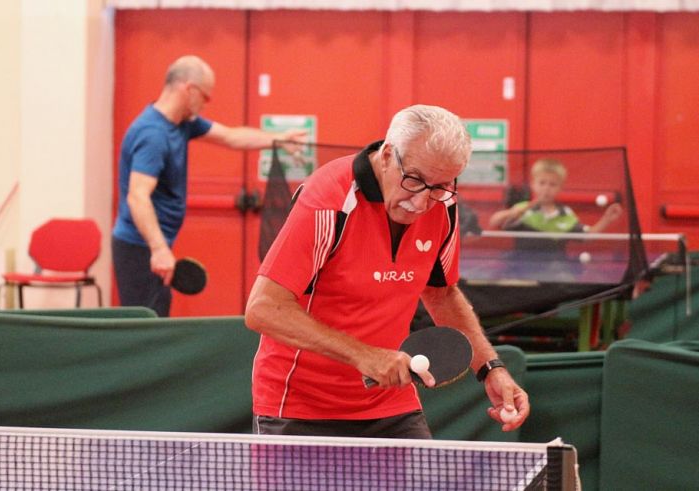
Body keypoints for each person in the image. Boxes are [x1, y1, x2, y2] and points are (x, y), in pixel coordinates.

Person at [244, 105, 529, 439]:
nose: (421, 203)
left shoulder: (444, 207)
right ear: (388, 155)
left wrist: (491, 368)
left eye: (440, 186)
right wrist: (364, 356)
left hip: (391, 405)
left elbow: (441, 294)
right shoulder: (329, 202)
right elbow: (263, 308)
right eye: (415, 180)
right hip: (299, 408)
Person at [112, 55, 305, 317]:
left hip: (153, 245)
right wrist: (158, 249)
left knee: (157, 317)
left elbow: (231, 136)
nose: (206, 104)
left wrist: (278, 138)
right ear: (189, 89)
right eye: (205, 96)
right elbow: (137, 196)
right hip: (138, 246)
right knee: (147, 325)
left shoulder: (182, 124)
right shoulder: (153, 134)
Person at [488, 158, 623, 234]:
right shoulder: (522, 209)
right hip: (521, 266)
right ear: (533, 185)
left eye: (552, 184)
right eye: (542, 183)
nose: (546, 188)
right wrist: (521, 210)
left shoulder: (565, 214)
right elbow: (494, 222)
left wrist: (606, 219)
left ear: (560, 188)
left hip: (557, 267)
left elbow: (588, 235)